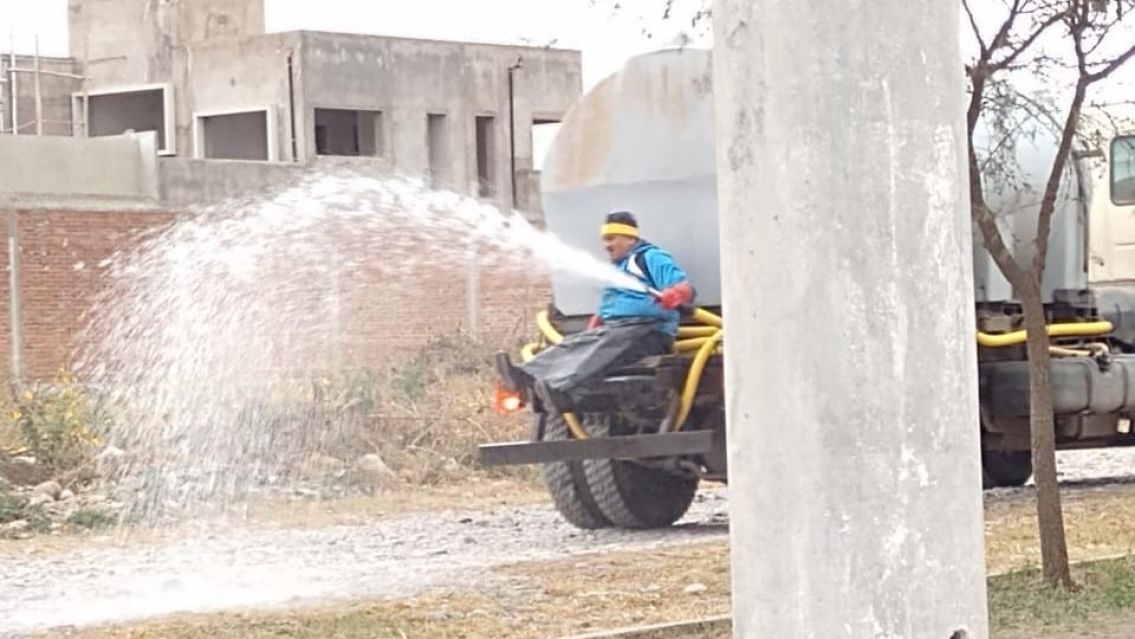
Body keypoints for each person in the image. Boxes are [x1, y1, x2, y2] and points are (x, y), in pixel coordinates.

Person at [505, 210, 695, 412]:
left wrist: (674, 295)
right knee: (574, 344)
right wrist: (596, 325)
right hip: (616, 329)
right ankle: (525, 374)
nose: (606, 245)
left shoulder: (651, 258)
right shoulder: (615, 270)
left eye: (611, 238)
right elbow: (608, 306)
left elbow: (685, 288)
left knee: (603, 347)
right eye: (605, 240)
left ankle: (562, 386)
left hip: (648, 331)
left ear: (630, 238)